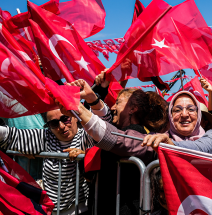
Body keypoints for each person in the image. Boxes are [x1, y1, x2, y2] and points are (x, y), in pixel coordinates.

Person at [57, 79, 169, 215]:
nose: (113, 108)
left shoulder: (137, 133)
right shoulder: (121, 130)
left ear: (133, 109)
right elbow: (104, 126)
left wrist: (78, 108)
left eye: (118, 102)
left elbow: (112, 137)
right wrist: (91, 98)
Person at [0, 110, 94, 215]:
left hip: (80, 209)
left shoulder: (86, 136)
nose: (62, 126)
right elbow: (11, 136)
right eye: (54, 123)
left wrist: (86, 154)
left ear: (75, 117)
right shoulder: (47, 137)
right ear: (49, 127)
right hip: (50, 210)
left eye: (65, 119)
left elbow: (106, 134)